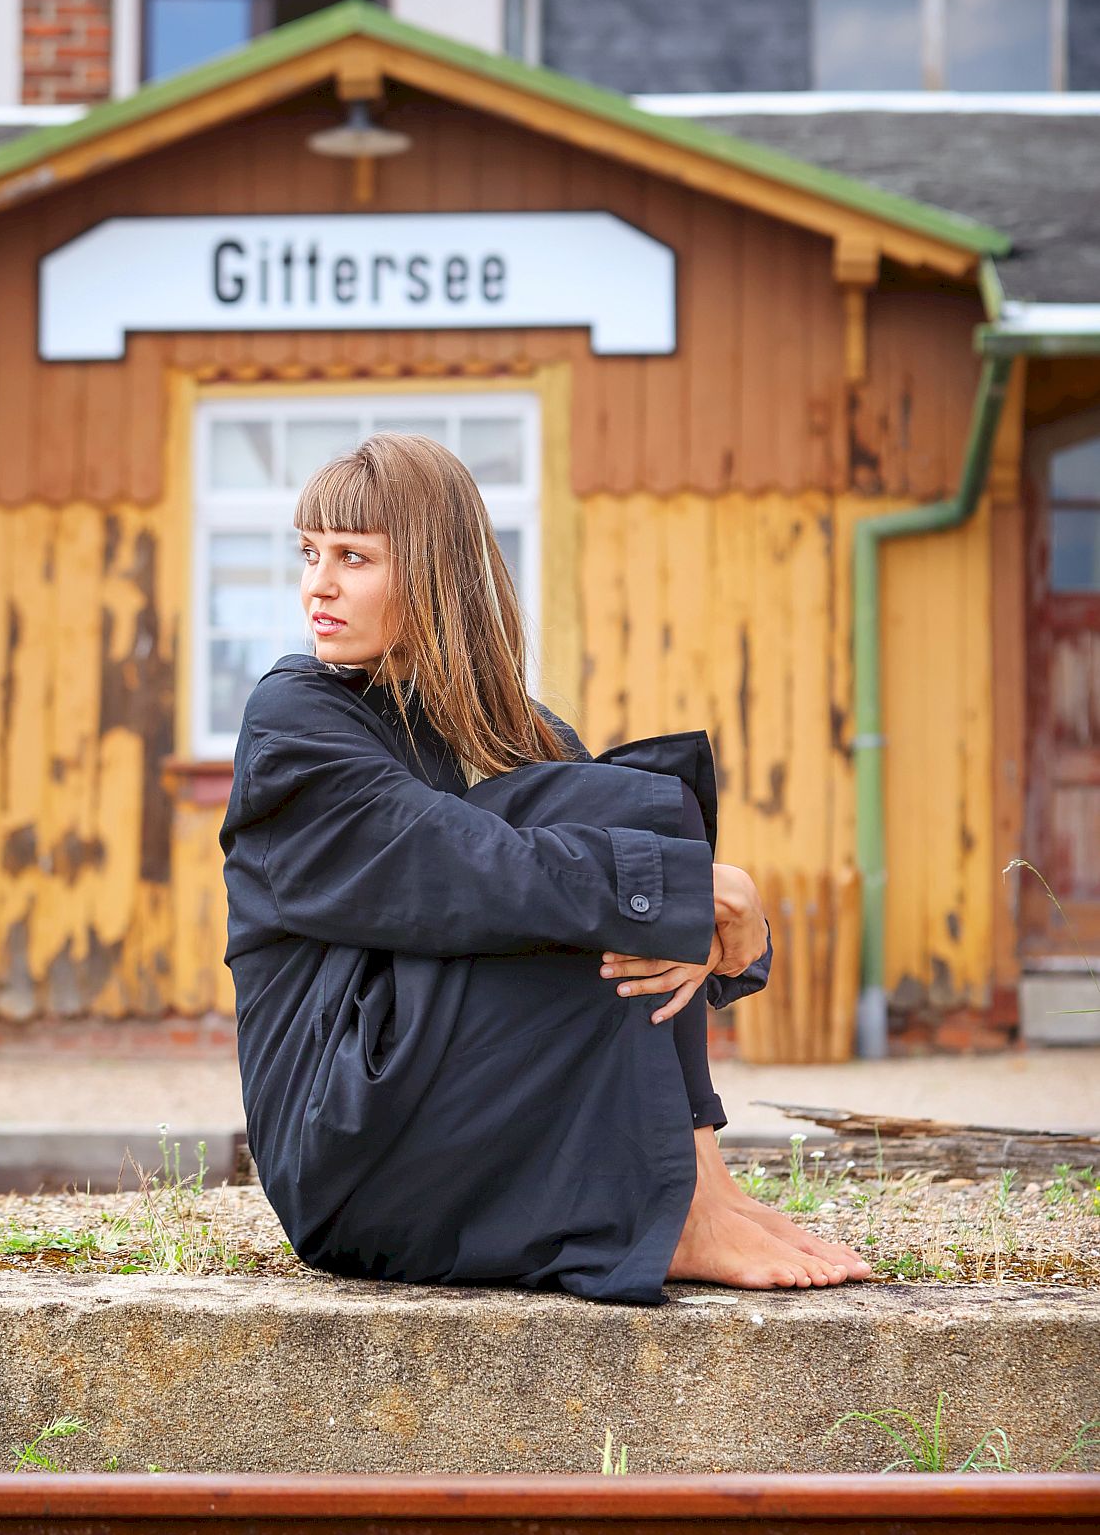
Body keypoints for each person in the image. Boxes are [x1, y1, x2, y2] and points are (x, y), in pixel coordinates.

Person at [220, 432, 872, 1306]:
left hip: (454, 1104)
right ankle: (688, 1204)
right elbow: (454, 865)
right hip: (348, 1138)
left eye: (353, 558)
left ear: (431, 572)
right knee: (613, 840)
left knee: (631, 806)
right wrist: (676, 894)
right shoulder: (295, 719)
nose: (318, 585)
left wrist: (723, 934)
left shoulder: (518, 734)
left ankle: (699, 1185)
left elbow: (595, 890)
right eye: (311, 554)